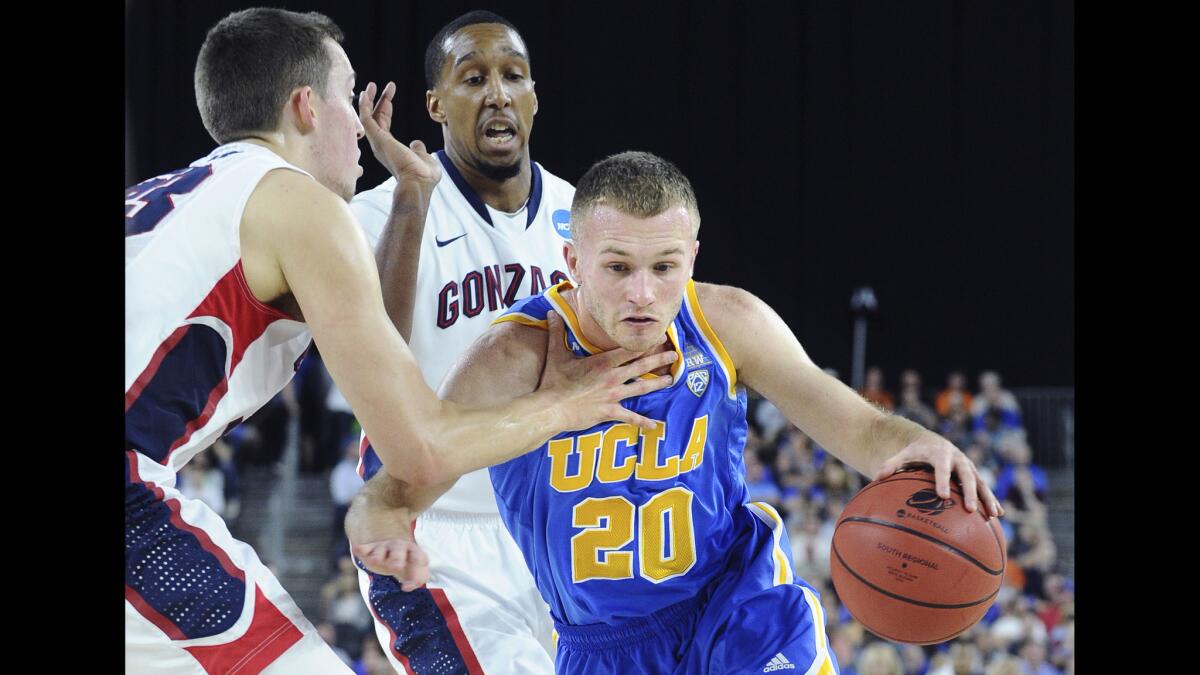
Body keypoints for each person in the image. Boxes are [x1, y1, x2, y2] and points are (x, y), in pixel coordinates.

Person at [125, 8, 674, 672]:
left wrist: (413, 201)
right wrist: (569, 402)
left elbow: (374, 342)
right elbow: (417, 446)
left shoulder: (171, 195)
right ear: (305, 107)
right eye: (345, 95)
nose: (360, 123)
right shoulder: (300, 203)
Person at [348, 151, 1003, 674]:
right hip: (600, 643)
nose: (643, 292)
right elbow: (396, 484)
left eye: (664, 266)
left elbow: (858, 425)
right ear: (572, 261)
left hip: (735, 602)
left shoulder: (726, 322)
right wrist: (389, 523)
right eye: (617, 267)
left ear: (691, 257)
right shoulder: (517, 354)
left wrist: (917, 442)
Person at [347, 12, 572, 671]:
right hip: (437, 528)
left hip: (565, 527)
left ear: (533, 97)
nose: (497, 93)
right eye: (473, 78)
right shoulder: (374, 213)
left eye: (513, 76)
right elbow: (374, 352)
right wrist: (413, 202)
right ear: (436, 105)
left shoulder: (582, 214)